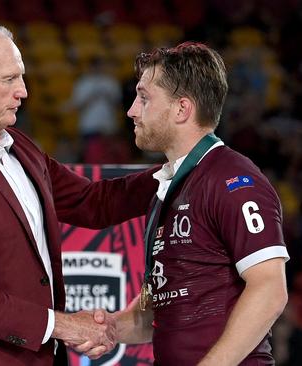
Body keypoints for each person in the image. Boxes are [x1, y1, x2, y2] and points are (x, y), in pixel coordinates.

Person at [0, 21, 157, 366]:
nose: (23, 91)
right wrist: (63, 325)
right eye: (9, 80)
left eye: (20, 77)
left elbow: (93, 202)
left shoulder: (18, 145)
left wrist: (180, 172)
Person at [98, 42, 290, 365]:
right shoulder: (168, 187)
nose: (131, 110)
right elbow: (163, 306)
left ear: (182, 109)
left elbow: (270, 290)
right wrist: (111, 328)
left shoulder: (233, 179)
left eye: (144, 98)